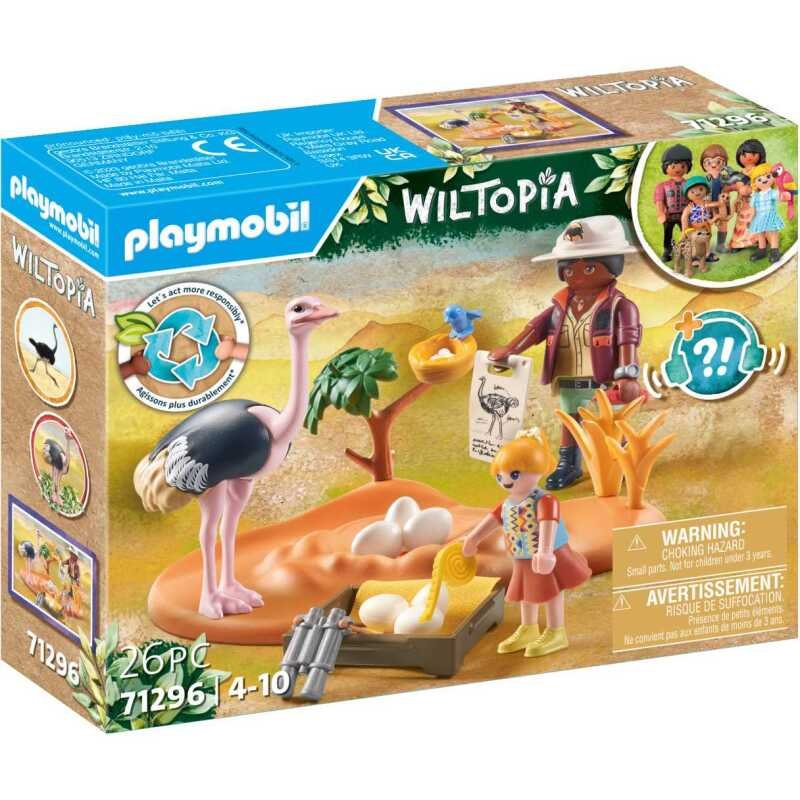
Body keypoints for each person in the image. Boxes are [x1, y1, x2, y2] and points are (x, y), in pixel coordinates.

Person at [489, 215, 642, 490]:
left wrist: (627, 375)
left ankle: (618, 460)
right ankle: (569, 464)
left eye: (590, 268)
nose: (578, 275)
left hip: (606, 380)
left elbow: (627, 340)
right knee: (570, 421)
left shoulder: (620, 306)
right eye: (570, 269)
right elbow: (534, 329)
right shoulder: (560, 306)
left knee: (610, 423)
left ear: (613, 266)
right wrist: (511, 349)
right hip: (568, 376)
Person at [462, 429, 591, 658]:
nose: (506, 481)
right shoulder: (508, 503)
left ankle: (556, 631)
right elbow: (492, 520)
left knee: (552, 590)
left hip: (548, 555)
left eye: (514, 474)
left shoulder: (544, 500)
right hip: (523, 557)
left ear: (537, 469)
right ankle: (528, 628)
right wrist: (473, 538)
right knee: (526, 592)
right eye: (500, 476)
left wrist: (545, 551)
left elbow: (548, 522)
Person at [654, 144, 692, 261]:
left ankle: (685, 250)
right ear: (666, 167)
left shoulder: (689, 184)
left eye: (682, 166)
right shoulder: (662, 186)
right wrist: (660, 213)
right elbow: (659, 200)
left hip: (684, 214)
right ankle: (667, 250)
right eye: (673, 166)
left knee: (686, 232)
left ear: (687, 167)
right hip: (668, 215)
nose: (677, 169)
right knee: (668, 233)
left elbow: (693, 197)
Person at [749, 163, 787, 263]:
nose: (764, 180)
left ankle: (775, 250)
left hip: (770, 215)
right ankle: (762, 249)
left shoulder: (773, 192)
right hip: (759, 217)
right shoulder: (755, 196)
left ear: (773, 178)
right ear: (755, 183)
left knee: (773, 232)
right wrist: (751, 219)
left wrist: (784, 195)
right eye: (759, 179)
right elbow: (753, 209)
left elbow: (781, 197)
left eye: (768, 176)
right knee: (760, 233)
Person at [701, 144, 731, 253]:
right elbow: (701, 192)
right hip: (708, 206)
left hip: (721, 206)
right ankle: (704, 246)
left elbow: (728, 189)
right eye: (708, 162)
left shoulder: (725, 179)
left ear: (724, 163)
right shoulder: (704, 180)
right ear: (704, 166)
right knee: (706, 225)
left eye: (718, 161)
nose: (713, 165)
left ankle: (720, 245)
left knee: (723, 224)